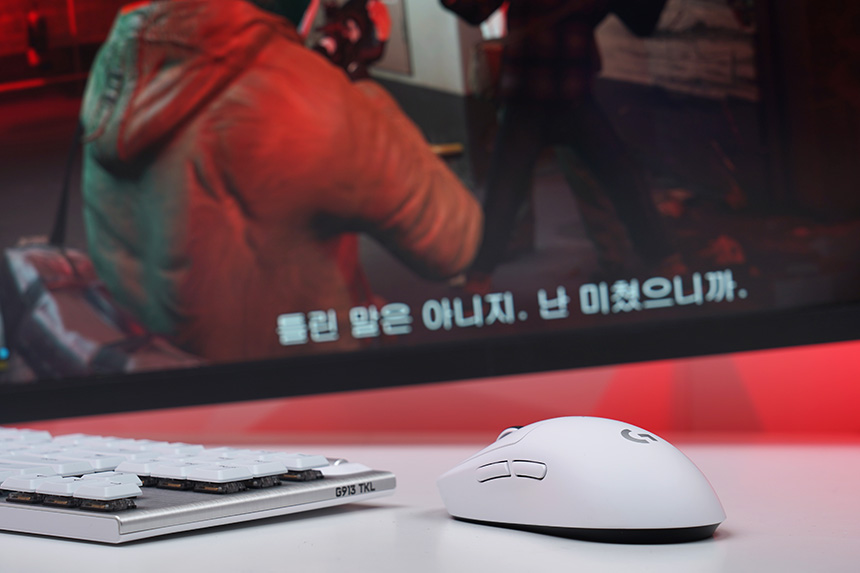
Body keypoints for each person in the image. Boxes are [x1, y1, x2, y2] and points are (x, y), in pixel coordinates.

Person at [79, 0, 482, 362]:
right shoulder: (305, 93)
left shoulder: (117, 68)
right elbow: (454, 241)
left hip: (165, 378)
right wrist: (359, 90)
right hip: (301, 387)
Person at [440, 0, 683, 293]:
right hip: (535, 103)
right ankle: (479, 276)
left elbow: (641, 21)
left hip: (568, 100)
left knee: (624, 179)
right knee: (505, 192)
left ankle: (661, 258)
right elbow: (473, 10)